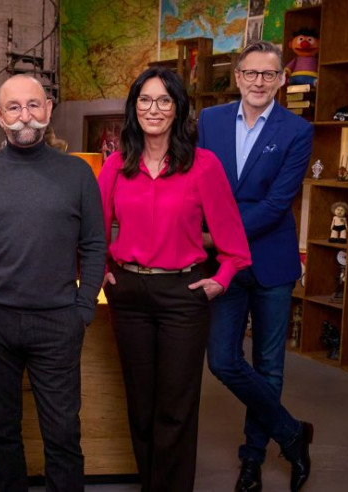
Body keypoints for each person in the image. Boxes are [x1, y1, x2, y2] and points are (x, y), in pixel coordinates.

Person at [0, 74, 106, 492]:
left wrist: (83, 309)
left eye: (34, 105)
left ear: (48, 109)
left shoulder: (77, 174)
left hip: (57, 322)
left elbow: (94, 245)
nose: (25, 116)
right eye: (14, 108)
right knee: (2, 432)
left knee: (63, 434)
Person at [98, 65, 251, 492]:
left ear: (178, 108)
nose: (154, 108)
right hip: (129, 294)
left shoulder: (203, 166)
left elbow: (234, 243)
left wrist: (221, 278)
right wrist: (99, 270)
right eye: (145, 100)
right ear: (134, 108)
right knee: (141, 405)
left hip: (182, 294)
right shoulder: (115, 166)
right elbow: (93, 231)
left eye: (164, 100)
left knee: (176, 408)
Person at [197, 40, 315, 492]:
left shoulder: (297, 130)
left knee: (269, 364)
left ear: (281, 79)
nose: (258, 82)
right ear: (238, 77)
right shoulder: (210, 121)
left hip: (271, 261)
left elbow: (276, 203)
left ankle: (252, 460)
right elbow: (197, 185)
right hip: (224, 264)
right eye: (250, 73)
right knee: (222, 359)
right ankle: (291, 432)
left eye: (268, 74)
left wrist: (217, 231)